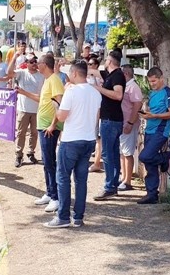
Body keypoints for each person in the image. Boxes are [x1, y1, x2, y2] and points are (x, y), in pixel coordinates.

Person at [44, 61, 101, 228]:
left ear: (75, 73)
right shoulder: (96, 93)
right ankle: (78, 217)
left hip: (71, 140)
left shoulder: (71, 92)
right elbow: (96, 117)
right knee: (81, 180)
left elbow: (61, 117)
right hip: (88, 139)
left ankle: (62, 216)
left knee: (63, 178)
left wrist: (56, 104)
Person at [17, 54, 64, 212]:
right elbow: (42, 99)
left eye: (39, 62)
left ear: (45, 64)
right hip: (43, 125)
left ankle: (56, 197)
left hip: (49, 128)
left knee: (50, 161)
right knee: (46, 161)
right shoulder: (47, 80)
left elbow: (59, 102)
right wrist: (23, 92)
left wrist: (53, 124)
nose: (36, 64)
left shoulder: (55, 80)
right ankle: (50, 192)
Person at [136, 67, 170, 203]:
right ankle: (152, 194)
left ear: (161, 79)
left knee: (145, 156)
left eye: (154, 81)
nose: (152, 84)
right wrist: (146, 113)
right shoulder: (152, 93)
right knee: (149, 164)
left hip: (160, 131)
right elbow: (152, 110)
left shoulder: (169, 93)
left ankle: (164, 159)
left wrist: (154, 115)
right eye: (150, 81)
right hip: (149, 130)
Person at [91, 50, 126, 201]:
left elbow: (118, 95)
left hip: (111, 120)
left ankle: (110, 186)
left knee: (108, 154)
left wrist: (98, 88)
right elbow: (94, 72)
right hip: (111, 120)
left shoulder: (117, 75)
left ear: (110, 62)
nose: (104, 62)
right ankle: (113, 185)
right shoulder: (111, 75)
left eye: (106, 60)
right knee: (112, 153)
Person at [7, 50, 44, 168]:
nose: (34, 64)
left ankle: (31, 152)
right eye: (31, 62)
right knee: (21, 133)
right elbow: (8, 72)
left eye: (35, 61)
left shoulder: (41, 76)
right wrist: (14, 58)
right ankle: (19, 154)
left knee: (34, 133)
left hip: (36, 109)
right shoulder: (22, 73)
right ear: (26, 63)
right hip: (23, 109)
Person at [118, 64, 143, 191]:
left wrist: (130, 122)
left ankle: (127, 181)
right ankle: (124, 177)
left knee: (127, 152)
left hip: (129, 123)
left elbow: (137, 104)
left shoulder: (133, 87)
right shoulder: (127, 86)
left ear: (126, 74)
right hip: (124, 122)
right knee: (122, 151)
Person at [87, 57, 105, 173]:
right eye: (88, 64)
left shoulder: (100, 79)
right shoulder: (87, 78)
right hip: (89, 112)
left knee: (98, 139)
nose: (89, 66)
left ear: (97, 65)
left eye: (91, 64)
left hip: (98, 112)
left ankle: (97, 162)